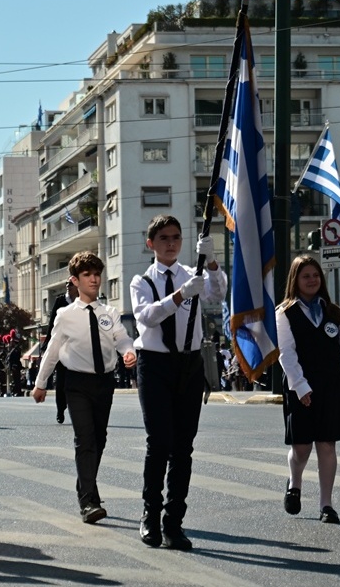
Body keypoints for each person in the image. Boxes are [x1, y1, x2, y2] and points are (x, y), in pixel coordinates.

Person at [130, 214, 227, 550]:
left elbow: (218, 293)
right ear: (151, 244)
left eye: (175, 238)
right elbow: (147, 317)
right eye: (163, 239)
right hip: (155, 364)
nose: (171, 244)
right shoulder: (141, 280)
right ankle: (150, 514)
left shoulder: (193, 272)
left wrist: (212, 261)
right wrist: (180, 295)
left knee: (183, 446)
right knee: (159, 442)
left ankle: (174, 521)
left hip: (189, 363)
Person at [32, 251, 136, 525]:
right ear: (75, 280)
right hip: (76, 383)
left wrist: (128, 352)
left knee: (99, 439)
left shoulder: (109, 313)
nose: (94, 279)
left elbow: (121, 338)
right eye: (87, 275)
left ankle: (86, 487)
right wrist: (40, 384)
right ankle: (89, 501)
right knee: (85, 439)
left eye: (97, 274)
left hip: (104, 382)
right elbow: (52, 350)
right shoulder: (66, 315)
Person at [275, 255, 340, 525]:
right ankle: (295, 483)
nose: (311, 280)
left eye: (315, 275)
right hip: (300, 386)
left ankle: (327, 504)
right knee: (301, 448)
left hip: (330, 387)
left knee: (327, 444)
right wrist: (300, 386)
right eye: (305, 276)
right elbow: (286, 354)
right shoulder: (284, 313)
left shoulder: (333, 312)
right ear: (295, 281)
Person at [43, 278, 77, 424]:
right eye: (67, 284)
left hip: (77, 347)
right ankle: (60, 409)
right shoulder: (60, 301)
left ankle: (76, 410)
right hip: (62, 347)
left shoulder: (82, 301)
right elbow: (52, 324)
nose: (68, 287)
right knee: (61, 380)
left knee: (76, 381)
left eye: (71, 284)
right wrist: (47, 344)